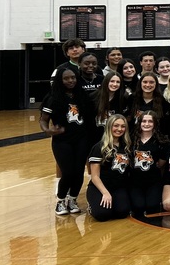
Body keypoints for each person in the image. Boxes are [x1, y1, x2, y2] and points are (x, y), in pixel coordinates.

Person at [42, 67, 92, 215]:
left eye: (73, 78)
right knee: (67, 172)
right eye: (66, 78)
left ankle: (73, 199)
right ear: (60, 80)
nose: (71, 81)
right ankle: (61, 200)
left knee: (78, 171)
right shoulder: (52, 98)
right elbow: (43, 120)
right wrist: (48, 130)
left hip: (81, 139)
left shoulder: (82, 95)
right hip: (62, 141)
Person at [85, 114, 132, 221]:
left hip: (118, 187)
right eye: (116, 125)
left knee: (122, 212)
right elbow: (95, 177)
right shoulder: (99, 147)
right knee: (102, 215)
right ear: (109, 126)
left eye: (123, 126)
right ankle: (92, 205)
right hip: (100, 187)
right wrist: (105, 193)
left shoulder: (127, 146)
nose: (119, 129)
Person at [129, 111, 165, 217]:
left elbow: (161, 162)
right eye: (144, 121)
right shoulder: (132, 139)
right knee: (138, 207)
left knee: (152, 206)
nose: (147, 124)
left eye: (150, 121)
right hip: (135, 182)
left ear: (155, 123)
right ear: (140, 123)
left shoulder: (161, 141)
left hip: (153, 181)